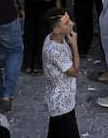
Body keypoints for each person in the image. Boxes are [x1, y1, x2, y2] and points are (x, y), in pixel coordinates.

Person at [41, 7, 81, 138]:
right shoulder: (54, 51)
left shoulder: (55, 38)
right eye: (67, 23)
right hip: (61, 105)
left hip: (63, 101)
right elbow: (75, 72)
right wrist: (74, 45)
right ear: (56, 30)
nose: (72, 24)